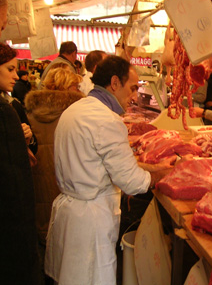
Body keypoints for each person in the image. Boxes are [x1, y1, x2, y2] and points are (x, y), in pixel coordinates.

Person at [45, 55, 171, 285]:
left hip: (72, 214)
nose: (134, 97)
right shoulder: (106, 120)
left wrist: (155, 167)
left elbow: (104, 163)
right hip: (90, 223)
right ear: (114, 83)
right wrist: (161, 176)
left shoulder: (77, 109)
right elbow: (132, 182)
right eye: (132, 88)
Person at [25, 68, 85, 247]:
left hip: (37, 189)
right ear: (67, 88)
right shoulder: (76, 116)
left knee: (43, 232)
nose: (80, 90)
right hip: (67, 191)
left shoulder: (28, 114)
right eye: (76, 86)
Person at [0, 43, 41, 284]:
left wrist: (25, 137)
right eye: (9, 69)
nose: (16, 75)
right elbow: (15, 183)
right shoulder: (5, 111)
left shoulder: (10, 106)